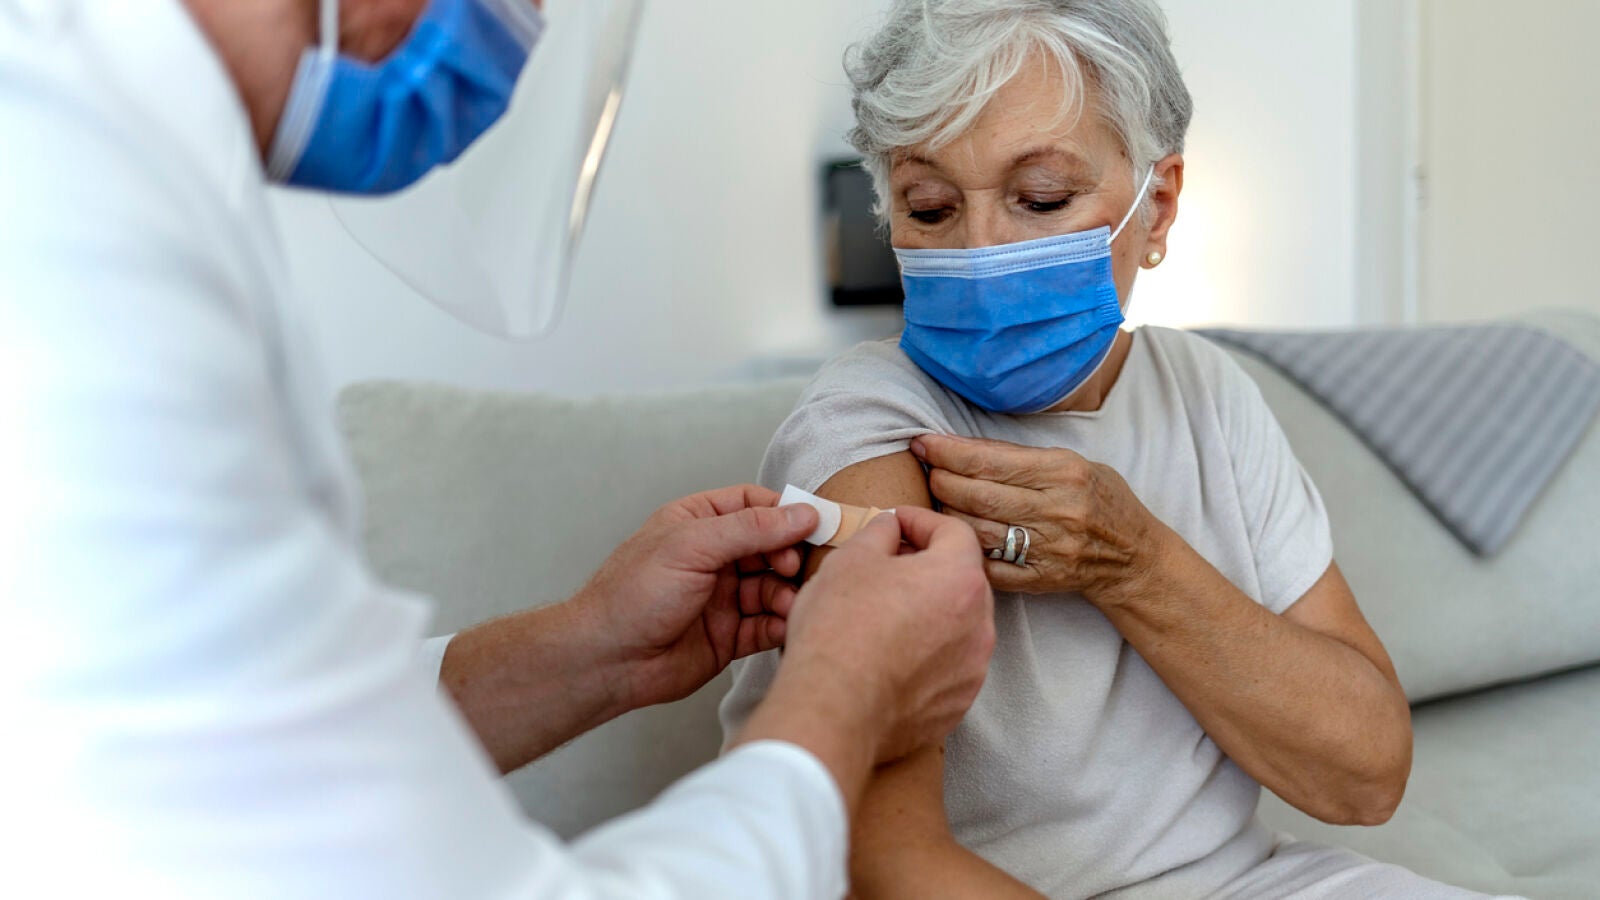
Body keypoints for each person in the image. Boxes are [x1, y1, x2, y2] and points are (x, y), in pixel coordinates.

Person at [0, 0, 997, 897]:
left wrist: (595, 648)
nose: (507, 37)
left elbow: (241, 736)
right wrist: (846, 695)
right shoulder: (73, 241)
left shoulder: (117, 167)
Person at [720, 1, 1511, 897]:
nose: (981, 250)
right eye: (929, 206)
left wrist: (1133, 562)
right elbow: (883, 862)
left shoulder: (1205, 393)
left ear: (1157, 205)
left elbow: (1365, 772)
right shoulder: (867, 421)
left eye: (1041, 198)